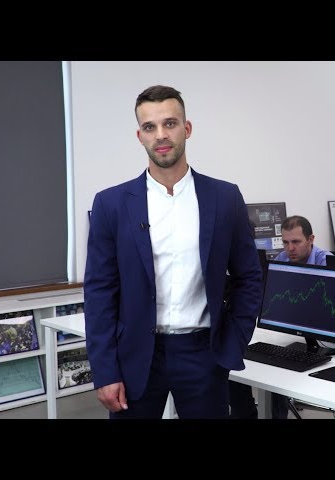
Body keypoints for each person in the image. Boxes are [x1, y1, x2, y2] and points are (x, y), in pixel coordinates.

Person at [84, 85, 263, 419]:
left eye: (170, 123)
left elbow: (249, 276)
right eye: (150, 127)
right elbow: (99, 292)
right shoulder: (111, 204)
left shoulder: (225, 198)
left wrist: (234, 341)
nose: (161, 135)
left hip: (203, 354)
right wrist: (105, 370)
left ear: (187, 128)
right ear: (140, 136)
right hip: (135, 354)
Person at [229, 215, 332, 419]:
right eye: (285, 242)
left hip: (322, 334)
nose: (290, 248)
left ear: (311, 239)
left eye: (296, 242)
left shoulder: (326, 262)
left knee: (281, 371)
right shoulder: (281, 260)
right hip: (287, 330)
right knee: (244, 367)